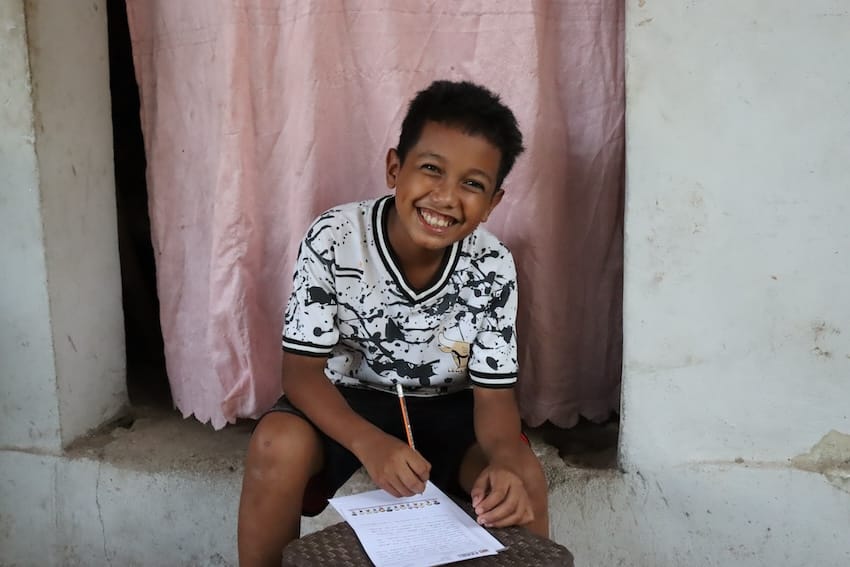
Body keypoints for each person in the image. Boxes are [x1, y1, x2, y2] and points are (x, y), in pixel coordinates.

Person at [237, 80, 549, 567]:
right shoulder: (334, 237)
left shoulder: (493, 265)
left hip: (451, 407)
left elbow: (494, 397)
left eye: (472, 184)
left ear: (492, 203)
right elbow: (300, 374)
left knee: (520, 477)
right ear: (393, 168)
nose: (446, 197)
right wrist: (370, 444)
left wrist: (506, 460)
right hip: (348, 401)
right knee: (276, 445)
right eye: (431, 170)